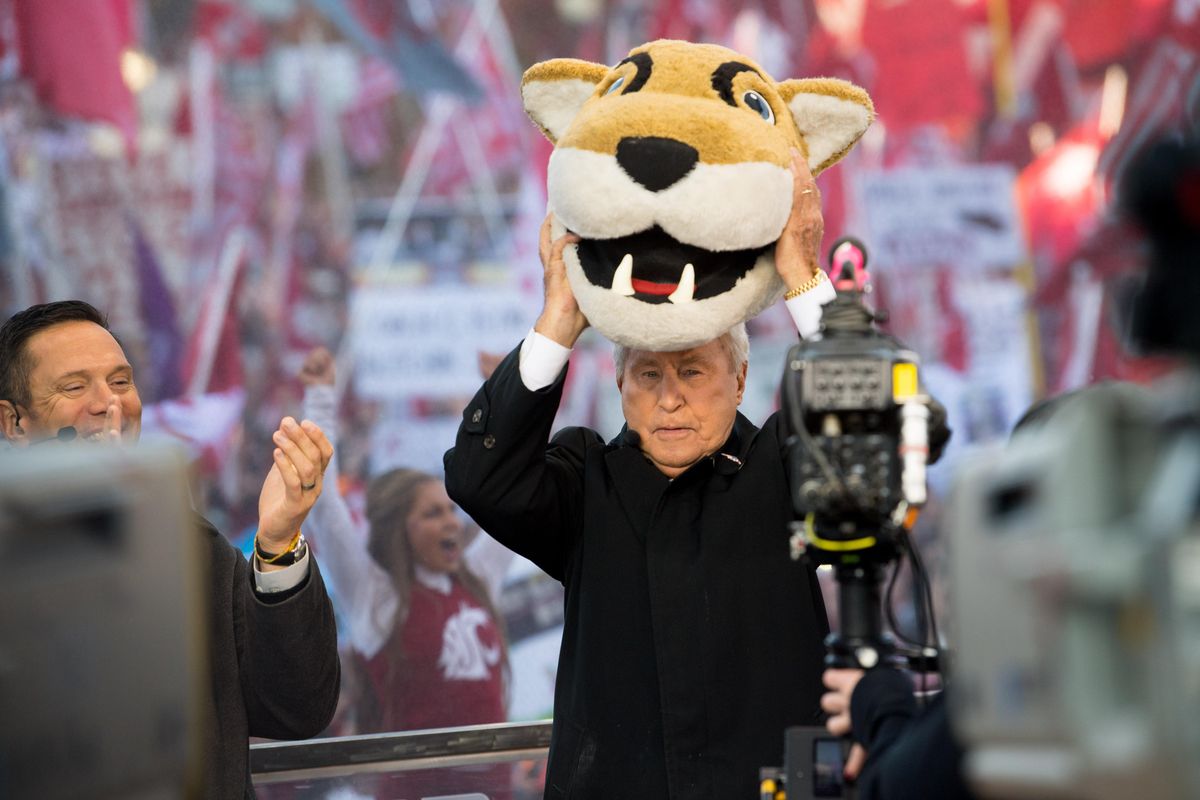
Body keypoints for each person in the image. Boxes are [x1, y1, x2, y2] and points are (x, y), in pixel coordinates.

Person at [444, 152, 838, 798]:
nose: (670, 398)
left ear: (740, 380)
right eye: (648, 375)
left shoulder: (780, 469)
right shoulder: (584, 481)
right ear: (621, 385)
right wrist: (559, 323)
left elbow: (860, 425)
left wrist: (802, 278)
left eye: (692, 371)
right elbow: (479, 477)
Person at [0, 300, 341, 799]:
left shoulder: (190, 546)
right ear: (14, 424)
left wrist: (277, 542)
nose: (109, 403)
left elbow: (297, 708)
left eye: (121, 382)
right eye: (75, 387)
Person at [298, 346, 511, 735]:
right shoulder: (375, 596)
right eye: (432, 514)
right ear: (400, 530)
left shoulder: (478, 579)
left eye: (450, 511)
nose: (452, 523)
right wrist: (321, 399)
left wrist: (504, 396)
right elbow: (325, 507)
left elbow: (517, 488)